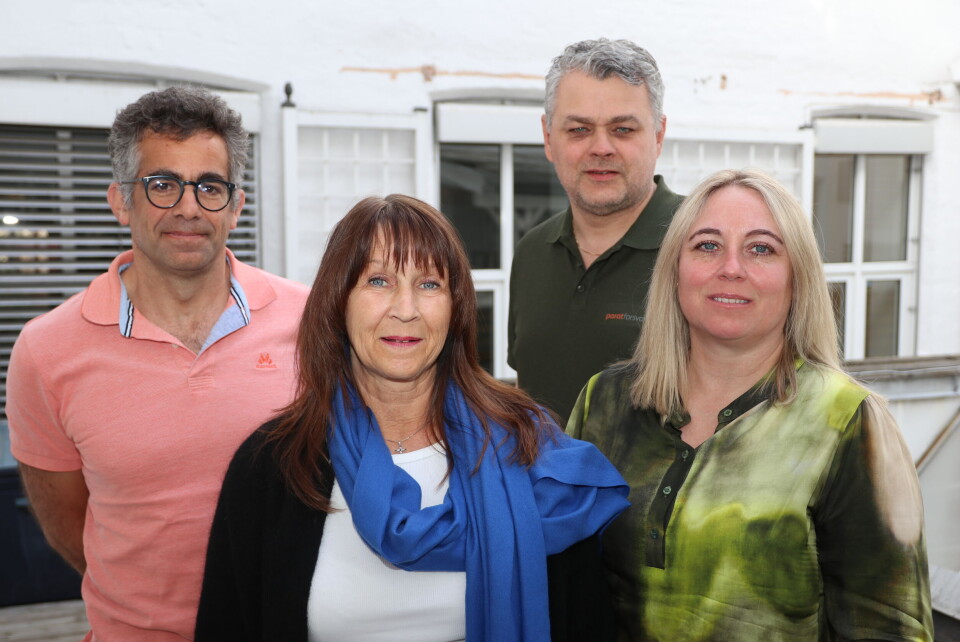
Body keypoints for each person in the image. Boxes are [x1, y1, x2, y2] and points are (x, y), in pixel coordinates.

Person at [195, 194, 630, 641]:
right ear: (338, 301)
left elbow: (585, 621)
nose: (405, 309)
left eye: (429, 285)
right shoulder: (272, 466)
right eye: (379, 281)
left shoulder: (527, 447)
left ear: (456, 306)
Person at [567, 168, 934, 640]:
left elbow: (889, 628)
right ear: (674, 269)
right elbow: (566, 582)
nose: (732, 268)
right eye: (707, 245)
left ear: (797, 277)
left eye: (761, 248)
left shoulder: (847, 422)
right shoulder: (605, 402)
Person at [6, 87, 309, 640]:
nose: (188, 207)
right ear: (122, 201)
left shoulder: (311, 322)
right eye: (162, 185)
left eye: (209, 187)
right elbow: (68, 523)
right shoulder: (46, 352)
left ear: (237, 206)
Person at [508, 38, 684, 423]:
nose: (601, 147)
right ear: (548, 137)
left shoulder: (703, 247)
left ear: (658, 135)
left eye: (622, 129)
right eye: (579, 129)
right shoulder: (532, 252)